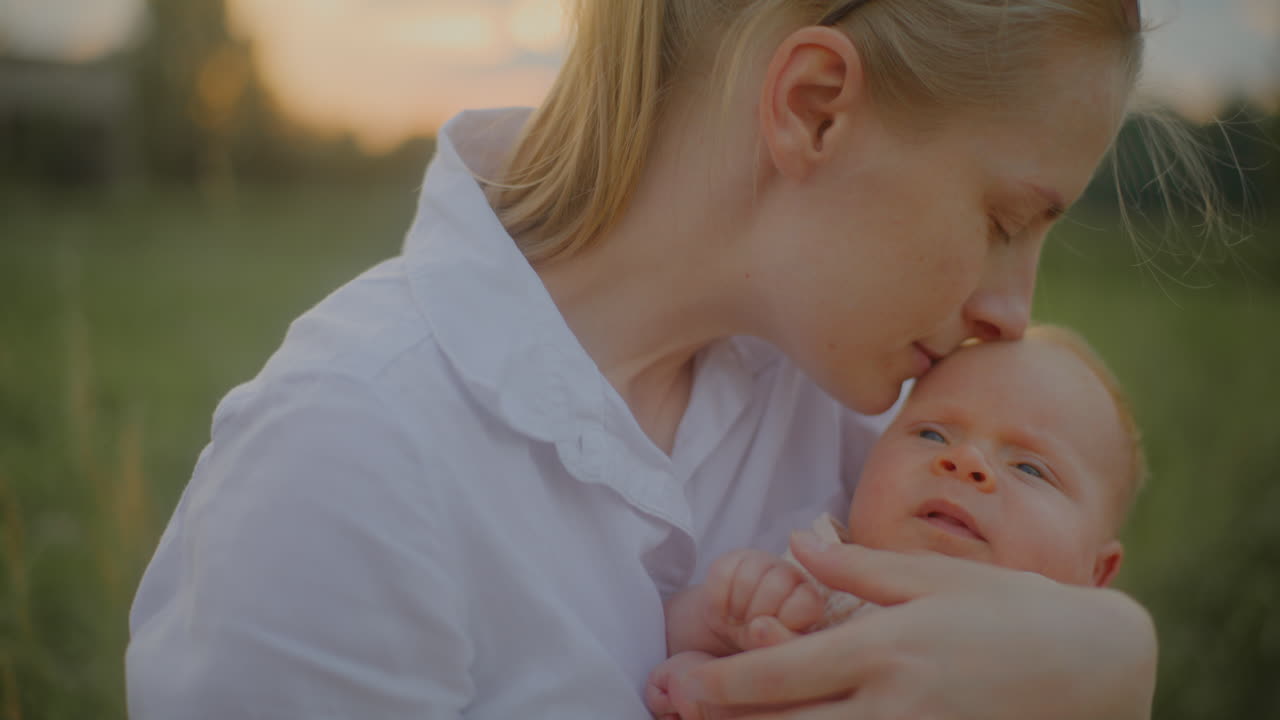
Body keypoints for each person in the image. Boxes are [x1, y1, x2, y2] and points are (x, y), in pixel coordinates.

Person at [126, 1, 1182, 717]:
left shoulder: (870, 419)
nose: (1010, 313)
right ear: (813, 106)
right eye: (1004, 219)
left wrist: (1115, 660)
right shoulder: (348, 455)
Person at [648, 326, 1146, 718]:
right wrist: (717, 620)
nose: (966, 461)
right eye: (931, 434)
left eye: (1030, 468)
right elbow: (654, 636)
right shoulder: (815, 574)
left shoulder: (1060, 684)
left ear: (1096, 576)